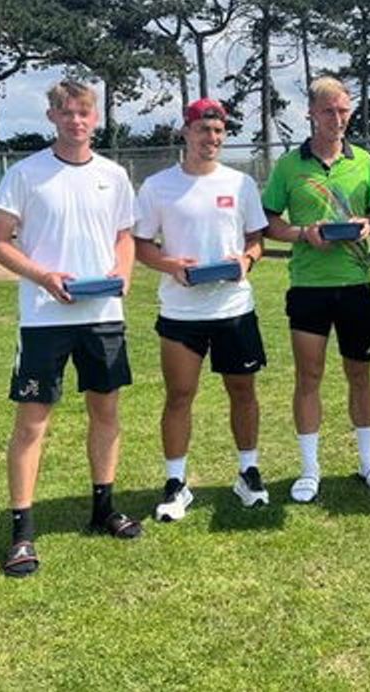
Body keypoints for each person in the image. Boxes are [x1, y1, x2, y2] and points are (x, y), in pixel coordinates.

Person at [0, 80, 139, 578]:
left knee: (106, 412)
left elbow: (124, 236)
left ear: (95, 119)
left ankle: (102, 508)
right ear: (52, 116)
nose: (76, 121)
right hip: (44, 319)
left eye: (84, 113)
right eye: (67, 112)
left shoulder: (114, 175)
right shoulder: (26, 174)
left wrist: (124, 274)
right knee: (32, 423)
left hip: (101, 318)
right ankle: (22, 533)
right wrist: (44, 278)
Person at [134, 98, 271, 520]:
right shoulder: (158, 186)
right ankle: (176, 482)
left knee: (243, 392)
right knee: (179, 395)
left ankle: (248, 472)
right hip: (181, 313)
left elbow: (257, 240)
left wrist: (245, 263)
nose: (210, 139)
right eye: (202, 131)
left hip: (233, 307)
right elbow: (141, 245)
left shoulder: (240, 183)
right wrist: (170, 265)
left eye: (218, 132)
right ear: (186, 133)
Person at [261, 76, 370, 503]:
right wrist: (305, 234)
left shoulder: (364, 162)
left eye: (343, 111)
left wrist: (367, 226)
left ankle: (368, 463)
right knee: (309, 376)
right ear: (311, 114)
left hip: (356, 284)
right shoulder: (289, 165)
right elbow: (269, 223)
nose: (337, 119)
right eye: (328, 111)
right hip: (309, 288)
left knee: (360, 375)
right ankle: (309, 469)